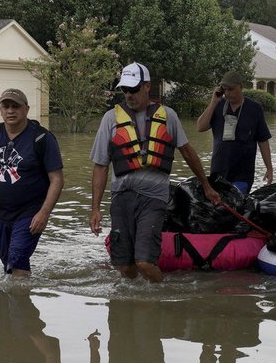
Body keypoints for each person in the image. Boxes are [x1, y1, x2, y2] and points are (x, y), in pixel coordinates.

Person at [89, 62, 221, 282]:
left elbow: (188, 153)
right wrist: (95, 208)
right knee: (125, 266)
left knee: (145, 262)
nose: (129, 95)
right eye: (125, 90)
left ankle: (162, 299)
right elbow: (100, 165)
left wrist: (206, 186)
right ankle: (132, 307)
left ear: (147, 86)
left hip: (153, 199)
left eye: (134, 89)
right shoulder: (110, 119)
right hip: (121, 198)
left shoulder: (168, 116)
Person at [0, 88, 64, 276]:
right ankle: (11, 302)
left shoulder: (41, 138)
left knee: (16, 259)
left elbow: (57, 179)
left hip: (30, 212)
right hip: (0, 212)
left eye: (15, 106)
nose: (10, 110)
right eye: (6, 106)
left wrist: (44, 213)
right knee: (8, 263)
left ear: (26, 109)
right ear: (0, 110)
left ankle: (20, 301)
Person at [194, 70, 274, 194]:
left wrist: (269, 167)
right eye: (225, 89)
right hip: (218, 173)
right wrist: (213, 102)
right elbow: (200, 127)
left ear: (241, 87)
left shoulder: (254, 109)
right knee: (219, 209)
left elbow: (263, 140)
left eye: (231, 89)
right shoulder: (218, 106)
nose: (227, 93)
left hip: (242, 174)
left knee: (235, 205)